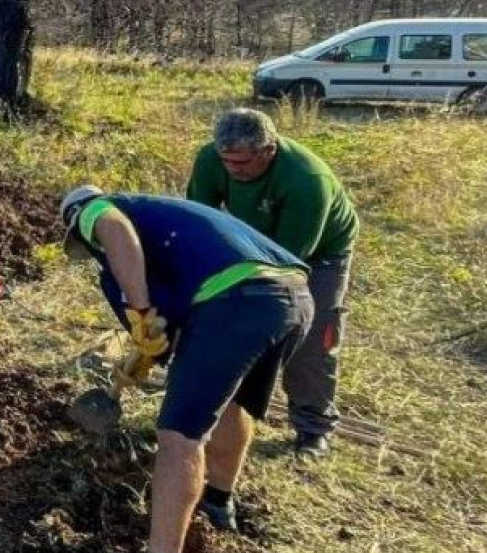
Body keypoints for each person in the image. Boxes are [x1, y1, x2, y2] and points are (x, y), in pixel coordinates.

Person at [59, 187, 313, 553]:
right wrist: (148, 353)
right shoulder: (169, 223)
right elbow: (177, 335)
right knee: (230, 403)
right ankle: (217, 502)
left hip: (235, 301)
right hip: (291, 298)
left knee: (179, 438)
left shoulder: (99, 209)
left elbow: (114, 229)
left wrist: (141, 311)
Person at [186, 108, 358, 458]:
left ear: (269, 150)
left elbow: (288, 260)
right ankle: (222, 407)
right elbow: (198, 222)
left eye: (244, 163)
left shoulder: (307, 180)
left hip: (318, 254)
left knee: (309, 337)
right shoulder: (212, 159)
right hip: (250, 238)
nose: (234, 170)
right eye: (227, 161)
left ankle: (313, 427)